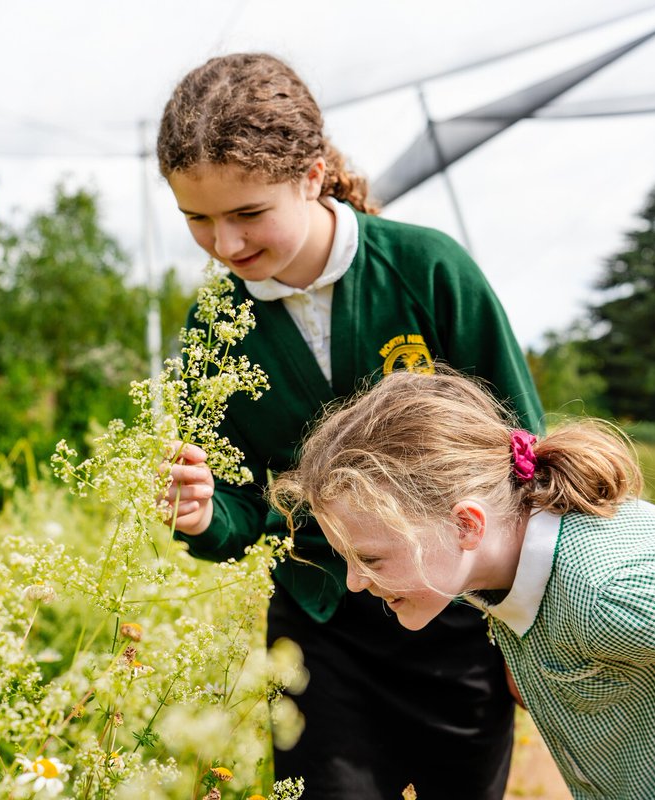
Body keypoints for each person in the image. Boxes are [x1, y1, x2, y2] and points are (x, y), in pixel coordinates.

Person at [156, 53, 544, 799]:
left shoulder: (428, 269)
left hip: (459, 624)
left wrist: (527, 625)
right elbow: (243, 508)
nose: (226, 246)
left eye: (247, 214)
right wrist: (206, 513)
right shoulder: (214, 325)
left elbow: (523, 456)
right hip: (319, 631)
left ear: (311, 175)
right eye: (197, 220)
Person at [270, 369, 655, 800]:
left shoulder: (606, 595)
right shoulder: (497, 569)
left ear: (465, 524)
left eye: (370, 555)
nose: (352, 580)